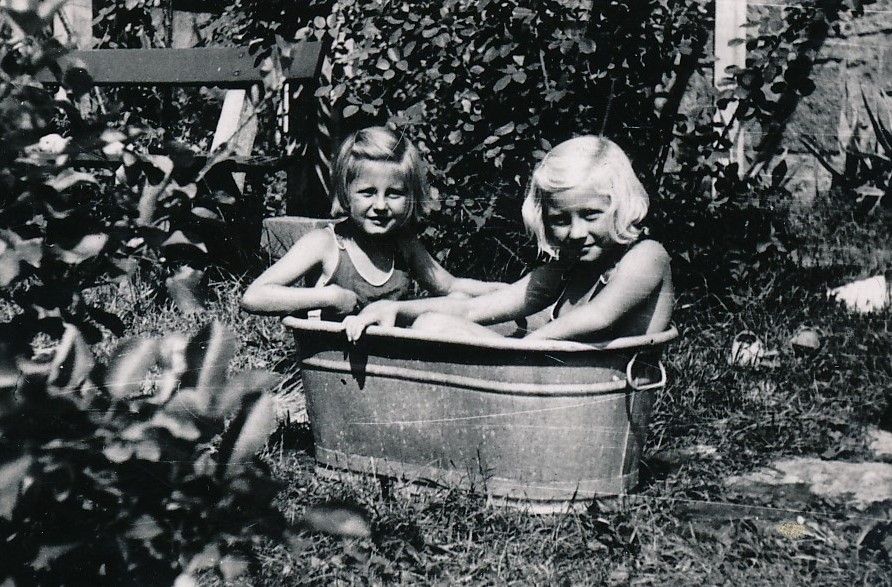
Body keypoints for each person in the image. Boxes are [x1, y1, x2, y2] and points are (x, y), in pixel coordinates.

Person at [343, 135, 674, 342]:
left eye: (590, 215)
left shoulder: (647, 256)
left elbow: (599, 316)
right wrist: (397, 309)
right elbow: (474, 309)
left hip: (599, 395)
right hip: (557, 389)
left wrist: (526, 347)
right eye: (560, 220)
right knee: (440, 317)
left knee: (435, 328)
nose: (575, 233)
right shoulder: (567, 268)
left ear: (620, 206)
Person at [241, 126, 503, 318]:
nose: (380, 205)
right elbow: (254, 296)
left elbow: (450, 286)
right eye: (368, 192)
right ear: (346, 193)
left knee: (457, 301)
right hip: (333, 361)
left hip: (386, 362)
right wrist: (329, 296)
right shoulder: (325, 244)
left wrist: (505, 292)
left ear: (410, 196)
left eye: (394, 193)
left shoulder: (403, 244)